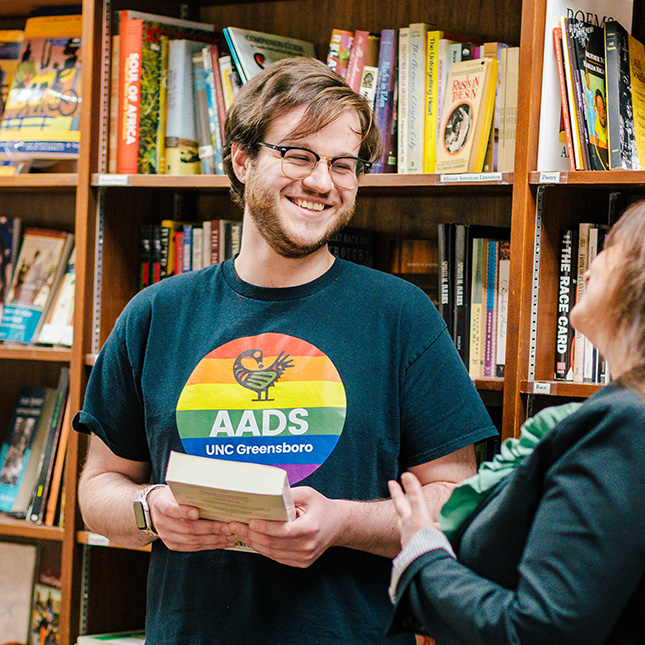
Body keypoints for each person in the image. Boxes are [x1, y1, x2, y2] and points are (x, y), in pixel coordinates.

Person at [73, 56, 497, 644]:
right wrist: (152, 509)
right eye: (299, 155)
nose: (322, 182)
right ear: (243, 159)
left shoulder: (401, 316)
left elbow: (457, 504)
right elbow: (98, 490)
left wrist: (341, 523)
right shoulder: (156, 313)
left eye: (343, 165)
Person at [388, 202, 645, 644]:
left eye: (608, 248)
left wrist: (424, 556)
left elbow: (539, 630)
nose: (591, 263)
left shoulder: (625, 423)